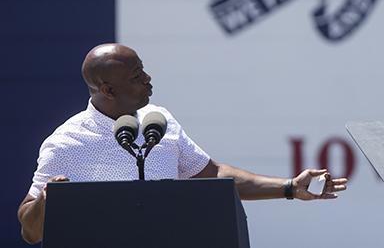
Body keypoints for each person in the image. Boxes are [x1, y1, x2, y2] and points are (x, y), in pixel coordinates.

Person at [17, 43, 348, 244]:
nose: (147, 79)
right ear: (108, 90)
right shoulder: (66, 143)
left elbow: (212, 173)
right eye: (135, 76)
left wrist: (289, 187)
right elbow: (31, 231)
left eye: (143, 69)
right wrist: (48, 202)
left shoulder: (158, 122)